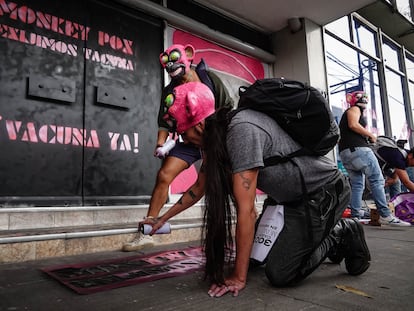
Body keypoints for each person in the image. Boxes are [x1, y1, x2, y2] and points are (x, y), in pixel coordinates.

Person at [148, 81, 372, 297]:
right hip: (286, 201)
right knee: (255, 259)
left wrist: (239, 277)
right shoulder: (216, 139)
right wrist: (161, 218)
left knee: (280, 272)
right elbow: (198, 188)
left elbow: (247, 211)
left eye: (184, 134)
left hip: (322, 193)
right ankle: (315, 236)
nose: (184, 142)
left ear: (198, 124)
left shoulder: (241, 131)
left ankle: (341, 232)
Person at [122, 44, 233, 251]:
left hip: (215, 140)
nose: (171, 65)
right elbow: (164, 123)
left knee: (229, 186)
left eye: (175, 58)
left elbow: (228, 107)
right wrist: (160, 143)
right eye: (166, 62)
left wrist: (217, 134)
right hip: (189, 142)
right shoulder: (169, 92)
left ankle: (247, 221)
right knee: (164, 175)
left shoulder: (209, 79)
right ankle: (147, 230)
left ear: (189, 55)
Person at [338, 91, 410, 226]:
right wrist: (371, 135)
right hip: (359, 150)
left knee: (358, 184)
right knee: (377, 180)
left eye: (365, 97)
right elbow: (353, 124)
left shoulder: (348, 113)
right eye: (361, 97)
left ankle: (356, 214)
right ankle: (385, 214)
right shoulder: (354, 109)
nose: (364, 100)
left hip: (346, 153)